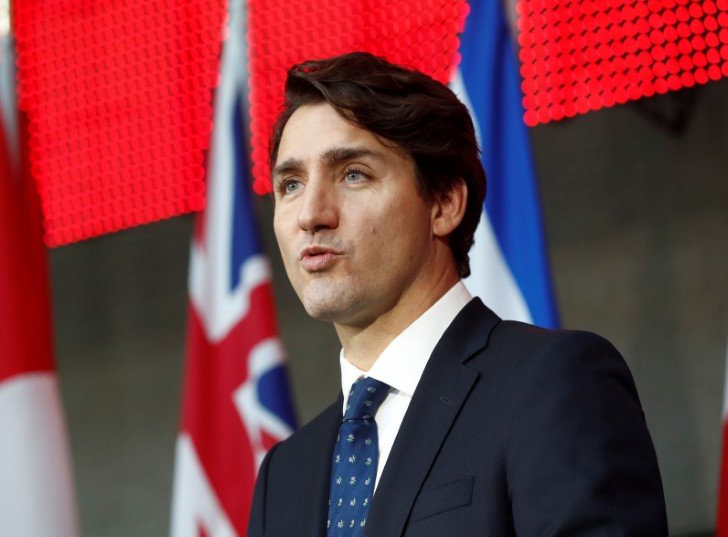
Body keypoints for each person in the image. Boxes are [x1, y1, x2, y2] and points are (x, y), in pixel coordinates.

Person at [248, 52, 667, 536]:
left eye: (353, 174)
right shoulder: (284, 472)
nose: (310, 214)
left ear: (444, 203)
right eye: (291, 184)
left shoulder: (553, 384)